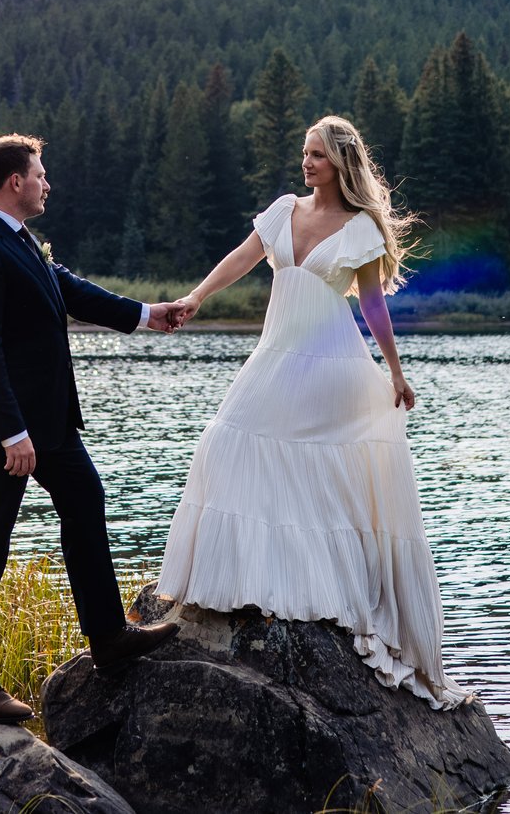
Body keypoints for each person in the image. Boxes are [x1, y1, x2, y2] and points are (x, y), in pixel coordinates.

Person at [154, 114, 469, 708]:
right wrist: (196, 296)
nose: (307, 163)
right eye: (304, 153)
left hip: (332, 365)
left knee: (320, 471)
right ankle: (249, 579)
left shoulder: (361, 229)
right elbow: (242, 257)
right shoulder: (283, 210)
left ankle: (324, 588)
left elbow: (373, 306)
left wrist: (396, 373)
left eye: (317, 156)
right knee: (226, 439)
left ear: (341, 164)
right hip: (278, 352)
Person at [0, 133, 191, 725]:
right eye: (40, 174)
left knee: (87, 500)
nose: (47, 183)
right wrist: (10, 434)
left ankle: (108, 638)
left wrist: (145, 314)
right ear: (14, 183)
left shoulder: (20, 241)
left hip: (49, 422)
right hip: (4, 431)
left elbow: (69, 290)